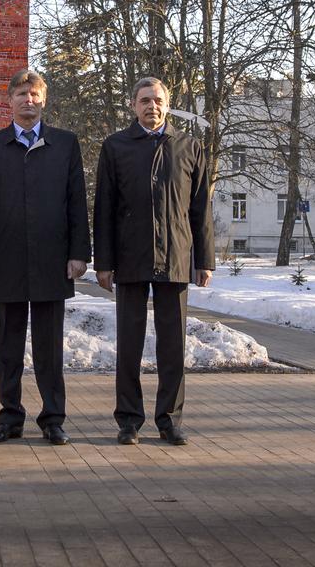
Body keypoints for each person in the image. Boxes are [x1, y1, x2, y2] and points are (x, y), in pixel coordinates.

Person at [0, 68, 89, 445]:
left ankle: (53, 418)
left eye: (34, 94)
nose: (28, 100)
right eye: (21, 94)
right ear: (10, 100)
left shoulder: (65, 144)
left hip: (54, 260)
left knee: (50, 348)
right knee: (9, 347)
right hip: (7, 259)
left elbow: (76, 203)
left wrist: (79, 253)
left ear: (44, 100)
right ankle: (10, 417)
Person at [93, 77, 213, 446]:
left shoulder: (188, 146)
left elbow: (200, 208)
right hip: (130, 258)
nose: (152, 106)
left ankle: (170, 419)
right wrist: (104, 262)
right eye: (144, 100)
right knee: (129, 343)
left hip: (175, 257)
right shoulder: (116, 147)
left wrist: (204, 259)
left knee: (172, 344)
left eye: (158, 100)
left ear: (167, 103)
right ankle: (128, 420)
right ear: (133, 104)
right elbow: (104, 210)